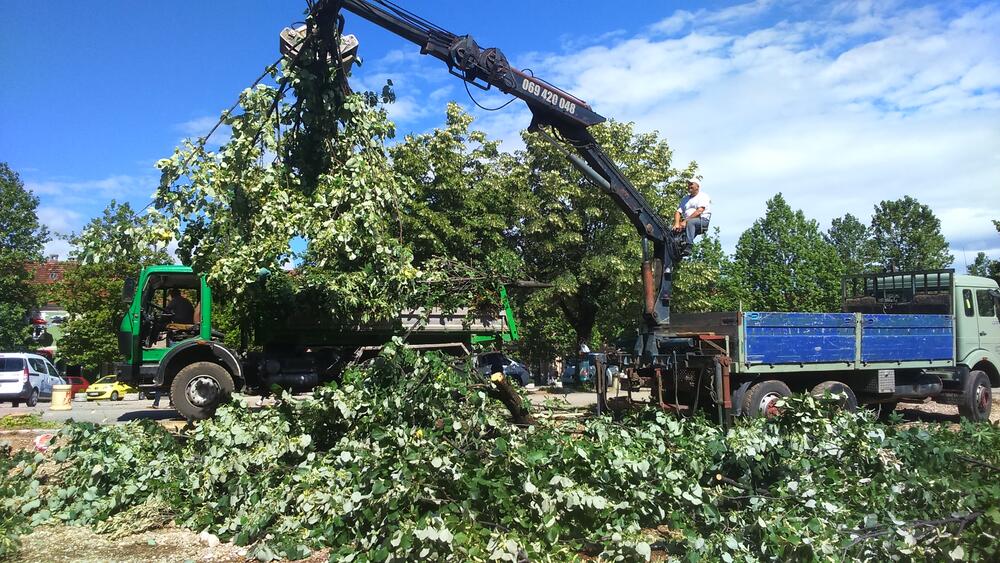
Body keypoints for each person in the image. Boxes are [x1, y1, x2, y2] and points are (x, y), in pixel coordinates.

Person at [673, 178, 712, 252]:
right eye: (688, 184)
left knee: (691, 222)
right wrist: (677, 224)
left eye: (691, 184)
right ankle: (677, 247)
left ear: (697, 186)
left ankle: (689, 245)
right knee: (671, 230)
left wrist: (685, 221)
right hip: (687, 221)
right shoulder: (685, 199)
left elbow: (699, 211)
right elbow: (678, 212)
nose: (689, 186)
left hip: (702, 220)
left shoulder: (703, 196)